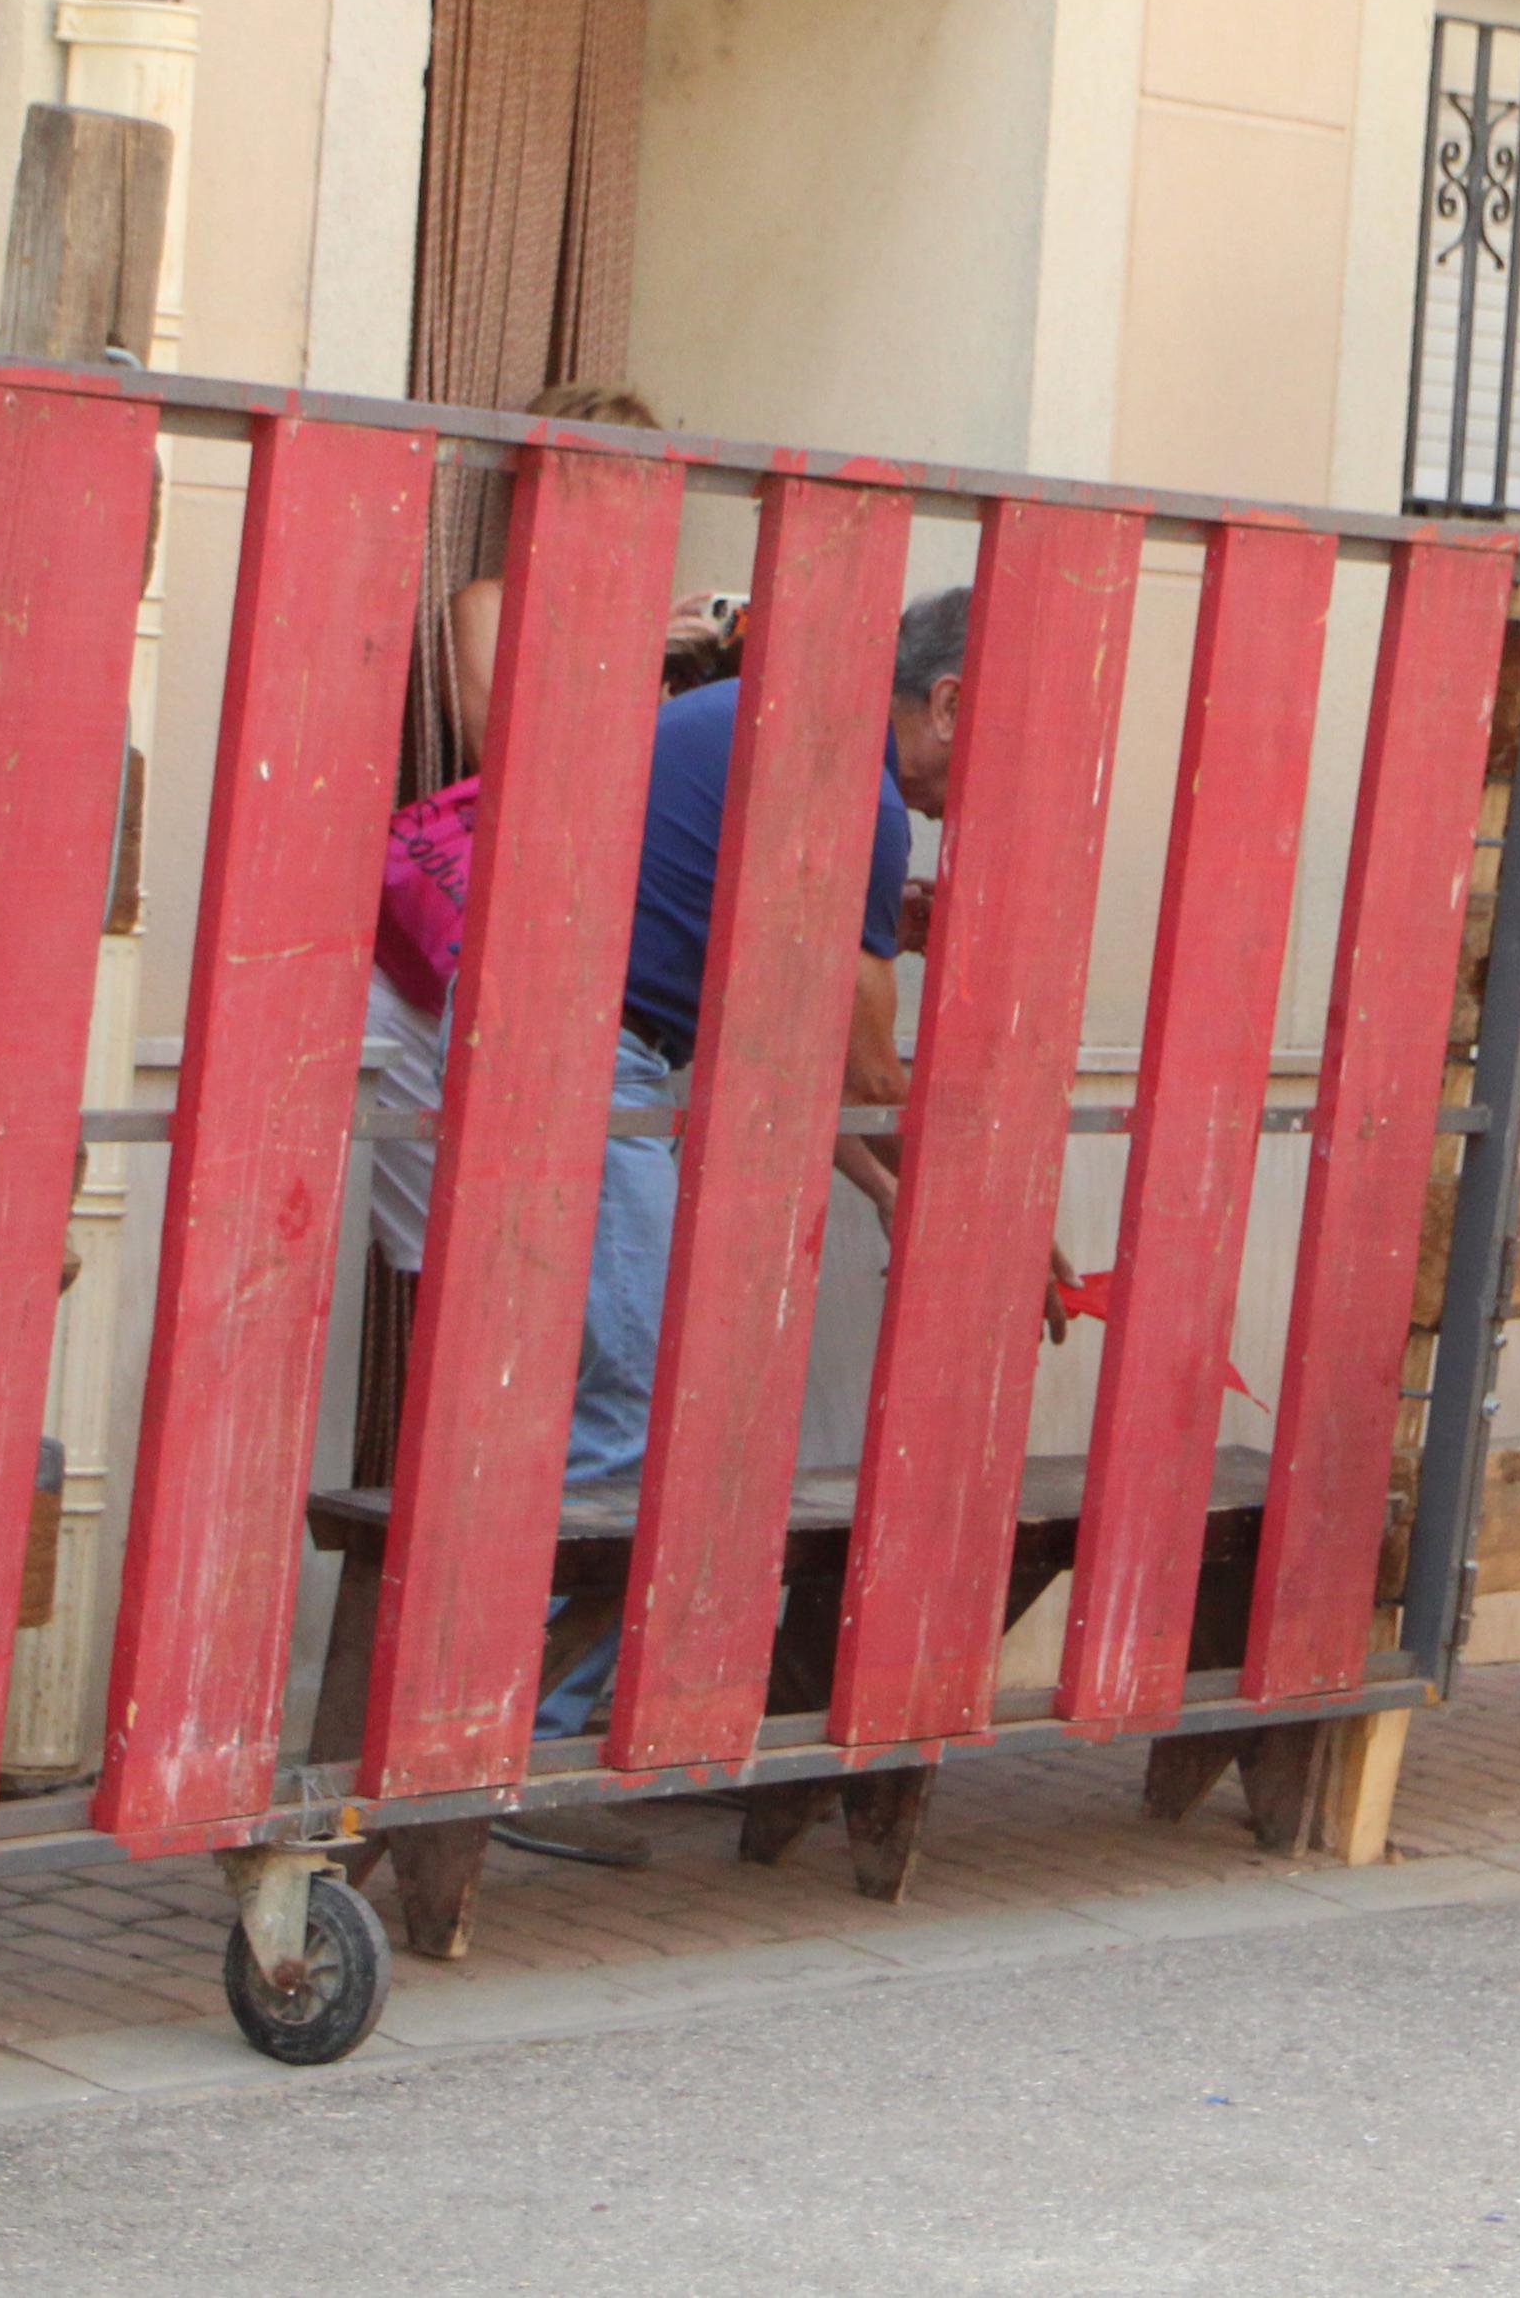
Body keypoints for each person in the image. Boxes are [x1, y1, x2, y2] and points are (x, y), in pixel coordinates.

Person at [365, 585, 1056, 1856]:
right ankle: (523, 1745)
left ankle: (516, 1718)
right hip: (581, 1059)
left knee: (609, 1394)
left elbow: (774, 1055)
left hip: (551, 1038)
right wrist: (980, 1205)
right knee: (643, 1397)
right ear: (950, 700)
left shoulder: (775, 725)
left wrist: (896, 1190)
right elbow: (859, 1057)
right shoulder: (863, 796)